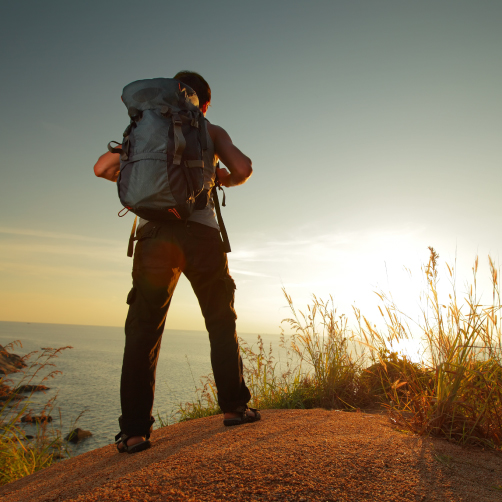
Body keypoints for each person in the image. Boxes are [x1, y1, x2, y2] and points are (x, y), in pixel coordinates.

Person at [94, 71, 259, 454]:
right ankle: (235, 408)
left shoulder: (143, 126)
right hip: (201, 236)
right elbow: (244, 169)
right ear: (203, 102)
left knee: (143, 331)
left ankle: (134, 432)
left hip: (153, 238)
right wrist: (217, 179)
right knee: (220, 321)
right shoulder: (209, 128)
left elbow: (102, 168)